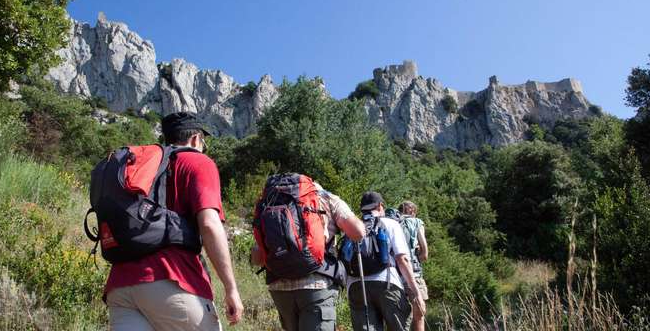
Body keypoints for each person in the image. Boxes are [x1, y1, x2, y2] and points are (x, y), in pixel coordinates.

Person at [104, 112, 243, 331]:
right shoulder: (198, 161)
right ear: (196, 138)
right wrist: (231, 288)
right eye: (203, 142)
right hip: (172, 280)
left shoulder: (144, 167)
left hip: (120, 287)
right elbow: (209, 224)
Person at [251, 178, 365, 331]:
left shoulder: (269, 201)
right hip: (316, 284)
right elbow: (358, 232)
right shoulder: (326, 197)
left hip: (278, 286)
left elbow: (257, 259)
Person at [347, 192, 425, 331]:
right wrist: (416, 292)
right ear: (380, 206)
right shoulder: (391, 223)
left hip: (356, 286)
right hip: (387, 284)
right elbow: (403, 259)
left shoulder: (354, 226)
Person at [397, 201, 429, 331]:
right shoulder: (417, 222)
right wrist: (417, 258)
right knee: (419, 314)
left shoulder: (393, 222)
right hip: (414, 274)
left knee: (398, 316)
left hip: (396, 275)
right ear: (413, 211)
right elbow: (425, 253)